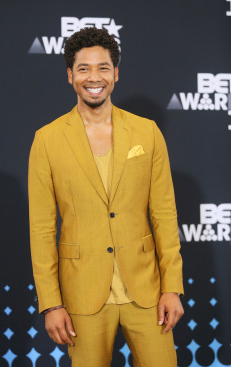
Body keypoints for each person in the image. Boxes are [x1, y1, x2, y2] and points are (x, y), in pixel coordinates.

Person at [28, 27, 184, 367]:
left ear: (115, 73)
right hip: (82, 294)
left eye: (102, 67)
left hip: (146, 292)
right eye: (83, 68)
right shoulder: (47, 140)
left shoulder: (147, 132)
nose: (93, 77)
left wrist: (172, 286)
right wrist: (51, 304)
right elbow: (41, 231)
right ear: (70, 76)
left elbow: (164, 214)